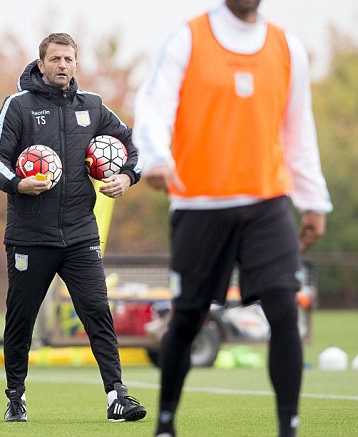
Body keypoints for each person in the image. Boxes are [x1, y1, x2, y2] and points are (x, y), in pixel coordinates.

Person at [133, 1, 332, 436]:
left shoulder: (287, 47)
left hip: (267, 202)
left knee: (283, 308)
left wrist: (313, 199)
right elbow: (153, 105)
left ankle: (288, 427)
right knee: (187, 318)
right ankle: (166, 423)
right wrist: (156, 159)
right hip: (200, 206)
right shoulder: (187, 38)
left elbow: (299, 131)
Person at [0, 32, 147, 424]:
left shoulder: (93, 106)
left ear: (76, 63)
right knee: (21, 318)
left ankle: (116, 396)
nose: (62, 65)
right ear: (41, 64)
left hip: (80, 234)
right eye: (54, 59)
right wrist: (17, 183)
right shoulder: (17, 106)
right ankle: (16, 396)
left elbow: (137, 147)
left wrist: (127, 176)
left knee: (96, 311)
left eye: (68, 59)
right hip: (29, 236)